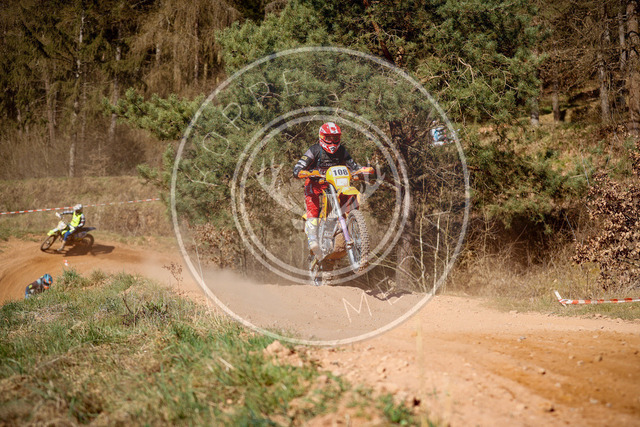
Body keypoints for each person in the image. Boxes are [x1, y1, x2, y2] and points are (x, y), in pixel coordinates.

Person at [293, 122, 373, 260]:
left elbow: (353, 166)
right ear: (321, 137)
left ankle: (352, 222)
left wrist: (361, 171)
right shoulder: (314, 150)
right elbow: (298, 167)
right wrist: (304, 172)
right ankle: (313, 239)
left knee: (350, 194)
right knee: (313, 207)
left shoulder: (341, 150)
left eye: (335, 138)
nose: (332, 141)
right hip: (316, 184)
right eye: (328, 138)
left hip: (336, 184)